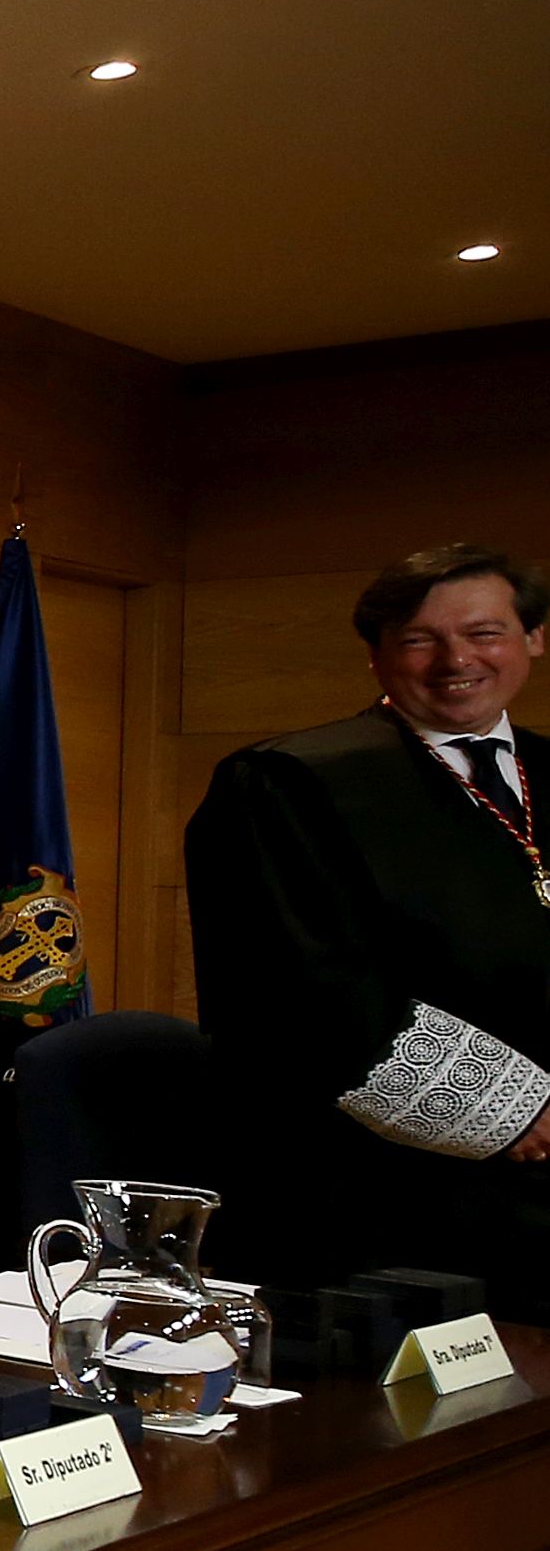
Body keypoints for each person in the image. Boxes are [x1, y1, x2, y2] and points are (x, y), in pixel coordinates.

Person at [184, 542, 550, 1311]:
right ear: (376, 656)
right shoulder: (290, 782)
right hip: (385, 1202)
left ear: (531, 640)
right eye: (419, 639)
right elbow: (305, 994)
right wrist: (524, 1115)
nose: (455, 659)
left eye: (483, 633)